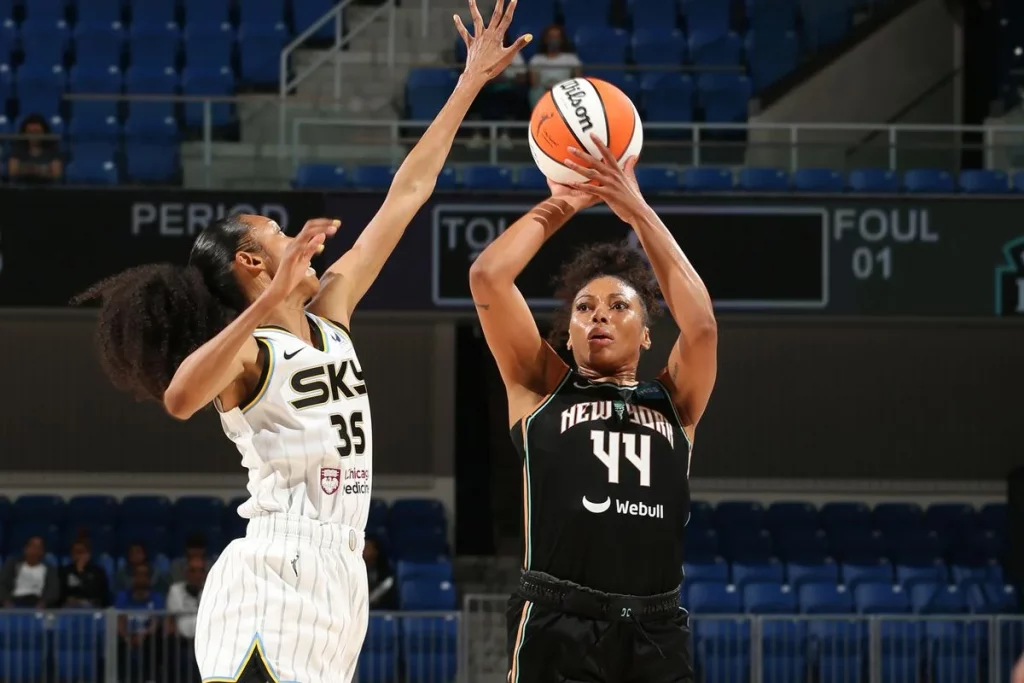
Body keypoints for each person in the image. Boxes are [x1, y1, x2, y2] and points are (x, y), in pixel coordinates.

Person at [73, 2, 529, 681]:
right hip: (276, 568)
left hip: (341, 574)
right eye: (279, 238)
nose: (298, 243)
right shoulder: (248, 354)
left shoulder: (333, 312)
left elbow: (406, 193)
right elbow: (178, 397)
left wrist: (467, 85)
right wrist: (264, 305)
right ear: (252, 265)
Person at [468, 136, 718, 683]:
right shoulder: (541, 388)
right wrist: (568, 199)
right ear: (570, 329)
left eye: (618, 306)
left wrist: (635, 206)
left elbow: (700, 324)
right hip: (559, 622)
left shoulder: (675, 403)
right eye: (584, 307)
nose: (598, 316)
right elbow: (488, 276)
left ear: (648, 335)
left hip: (656, 629)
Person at [114, 563, 165, 683]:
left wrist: (143, 636)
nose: (141, 578)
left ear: (149, 578)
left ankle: (150, 679)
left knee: (155, 641)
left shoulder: (156, 597)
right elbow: (119, 621)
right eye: (138, 575)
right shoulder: (123, 596)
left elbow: (156, 622)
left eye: (145, 575)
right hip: (127, 636)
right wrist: (127, 637)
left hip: (147, 637)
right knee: (116, 641)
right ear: (133, 577)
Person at [165, 556, 207, 683]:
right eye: (193, 571)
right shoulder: (175, 591)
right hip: (181, 642)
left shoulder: (211, 590)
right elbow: (173, 621)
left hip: (205, 643)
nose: (197, 575)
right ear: (186, 573)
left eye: (200, 571)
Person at [528, 25, 582, 106]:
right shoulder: (536, 59)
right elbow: (534, 83)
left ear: (562, 39)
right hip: (544, 92)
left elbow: (578, 80)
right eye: (551, 37)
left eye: (557, 37)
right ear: (545, 39)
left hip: (565, 91)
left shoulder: (572, 59)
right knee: (535, 91)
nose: (554, 39)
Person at [0, 536, 60, 608]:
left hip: (38, 602)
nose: (35, 550)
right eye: (32, 547)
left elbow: (53, 590)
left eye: (39, 548)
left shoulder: (49, 569)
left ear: (42, 552)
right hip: (14, 600)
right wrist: (7, 602)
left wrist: (43, 603)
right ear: (25, 549)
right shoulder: (12, 565)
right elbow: (2, 584)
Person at [7, 114, 63, 185]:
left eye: (37, 132)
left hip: (47, 189)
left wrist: (30, 169)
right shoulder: (18, 148)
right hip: (22, 188)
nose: (34, 135)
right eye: (30, 132)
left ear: (44, 132)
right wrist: (43, 170)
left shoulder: (53, 149)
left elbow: (56, 173)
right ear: (24, 133)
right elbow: (12, 171)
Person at [59, 535, 111, 608]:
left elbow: (100, 596)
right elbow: (61, 595)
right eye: (75, 552)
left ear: (88, 554)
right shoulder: (64, 572)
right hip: (70, 609)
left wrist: (81, 573)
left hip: (92, 608)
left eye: (81, 552)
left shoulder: (98, 572)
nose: (78, 556)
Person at [363, 536, 397, 610]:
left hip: (379, 608)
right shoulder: (357, 567)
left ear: (376, 551)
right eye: (363, 547)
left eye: (368, 548)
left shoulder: (385, 571)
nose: (364, 550)